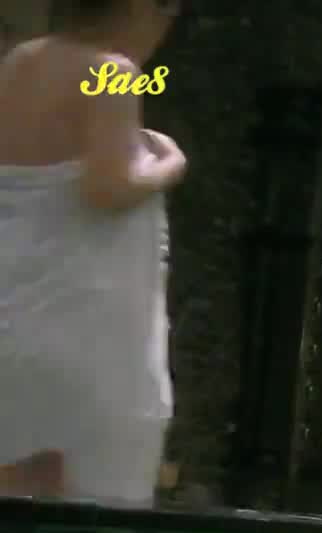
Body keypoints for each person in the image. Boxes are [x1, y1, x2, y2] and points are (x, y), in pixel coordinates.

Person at [0, 0, 186, 504]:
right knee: (86, 528)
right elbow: (108, 188)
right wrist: (169, 161)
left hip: (11, 327)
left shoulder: (19, 62)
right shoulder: (113, 72)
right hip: (82, 346)